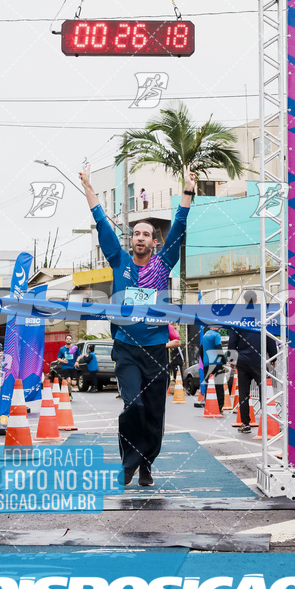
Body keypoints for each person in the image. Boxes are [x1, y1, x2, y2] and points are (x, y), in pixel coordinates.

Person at [79, 163, 195, 487]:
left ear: (154, 241)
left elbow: (180, 225)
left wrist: (187, 191)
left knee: (154, 413)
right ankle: (129, 463)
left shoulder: (164, 263)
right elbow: (101, 221)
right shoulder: (120, 261)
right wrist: (88, 185)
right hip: (126, 349)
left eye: (146, 234)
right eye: (136, 233)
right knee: (133, 405)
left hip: (157, 350)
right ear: (131, 240)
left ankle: (146, 463)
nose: (140, 237)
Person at [229, 304, 277, 432]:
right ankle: (267, 421)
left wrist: (232, 360)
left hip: (242, 361)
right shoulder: (262, 320)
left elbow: (232, 341)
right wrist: (273, 357)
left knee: (244, 393)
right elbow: (270, 338)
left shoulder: (237, 320)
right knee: (264, 392)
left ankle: (245, 424)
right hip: (259, 360)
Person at [201, 324, 227, 411]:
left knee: (208, 384)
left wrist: (204, 361)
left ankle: (208, 404)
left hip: (206, 364)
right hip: (216, 363)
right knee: (219, 385)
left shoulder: (205, 335)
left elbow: (201, 350)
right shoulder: (216, 335)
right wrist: (224, 361)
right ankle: (219, 406)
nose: (220, 328)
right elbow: (219, 349)